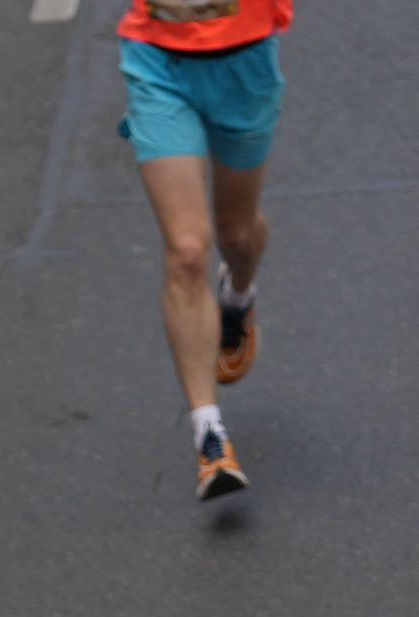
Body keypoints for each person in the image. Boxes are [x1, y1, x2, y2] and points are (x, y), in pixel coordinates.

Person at [116, 0, 289, 499]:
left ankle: (237, 296)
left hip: (245, 63)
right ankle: (210, 436)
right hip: (157, 62)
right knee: (188, 249)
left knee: (237, 232)